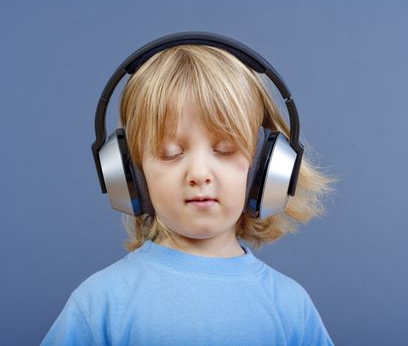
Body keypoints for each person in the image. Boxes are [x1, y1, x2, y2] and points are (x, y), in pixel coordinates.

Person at [42, 40, 335, 345]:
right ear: (132, 174)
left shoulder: (291, 308)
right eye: (170, 153)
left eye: (224, 150)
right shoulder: (99, 304)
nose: (198, 174)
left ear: (265, 167)